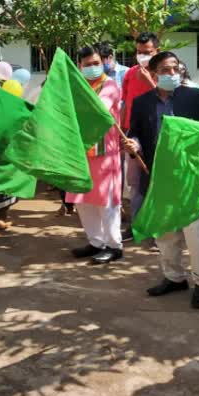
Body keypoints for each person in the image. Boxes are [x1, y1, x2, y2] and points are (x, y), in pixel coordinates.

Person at [123, 51, 199, 309]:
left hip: (189, 178)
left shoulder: (194, 97)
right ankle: (174, 278)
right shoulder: (142, 102)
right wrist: (134, 143)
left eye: (176, 68)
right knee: (165, 235)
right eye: (165, 69)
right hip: (158, 178)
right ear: (153, 75)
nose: (172, 73)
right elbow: (137, 132)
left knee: (195, 236)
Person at [67, 46, 124, 265]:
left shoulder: (109, 85)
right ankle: (95, 242)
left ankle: (114, 245)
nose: (91, 68)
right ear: (79, 66)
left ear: (103, 63)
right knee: (83, 200)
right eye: (86, 64)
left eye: (95, 63)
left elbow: (99, 110)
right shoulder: (77, 86)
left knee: (106, 202)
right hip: (79, 151)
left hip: (103, 152)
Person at [121, 32, 160, 242]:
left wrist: (150, 81)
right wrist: (121, 129)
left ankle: (157, 231)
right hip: (133, 136)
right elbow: (125, 103)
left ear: (157, 52)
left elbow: (169, 104)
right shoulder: (130, 74)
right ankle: (137, 227)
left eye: (147, 52)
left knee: (156, 183)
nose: (142, 56)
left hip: (157, 137)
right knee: (135, 184)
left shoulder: (166, 74)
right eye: (139, 52)